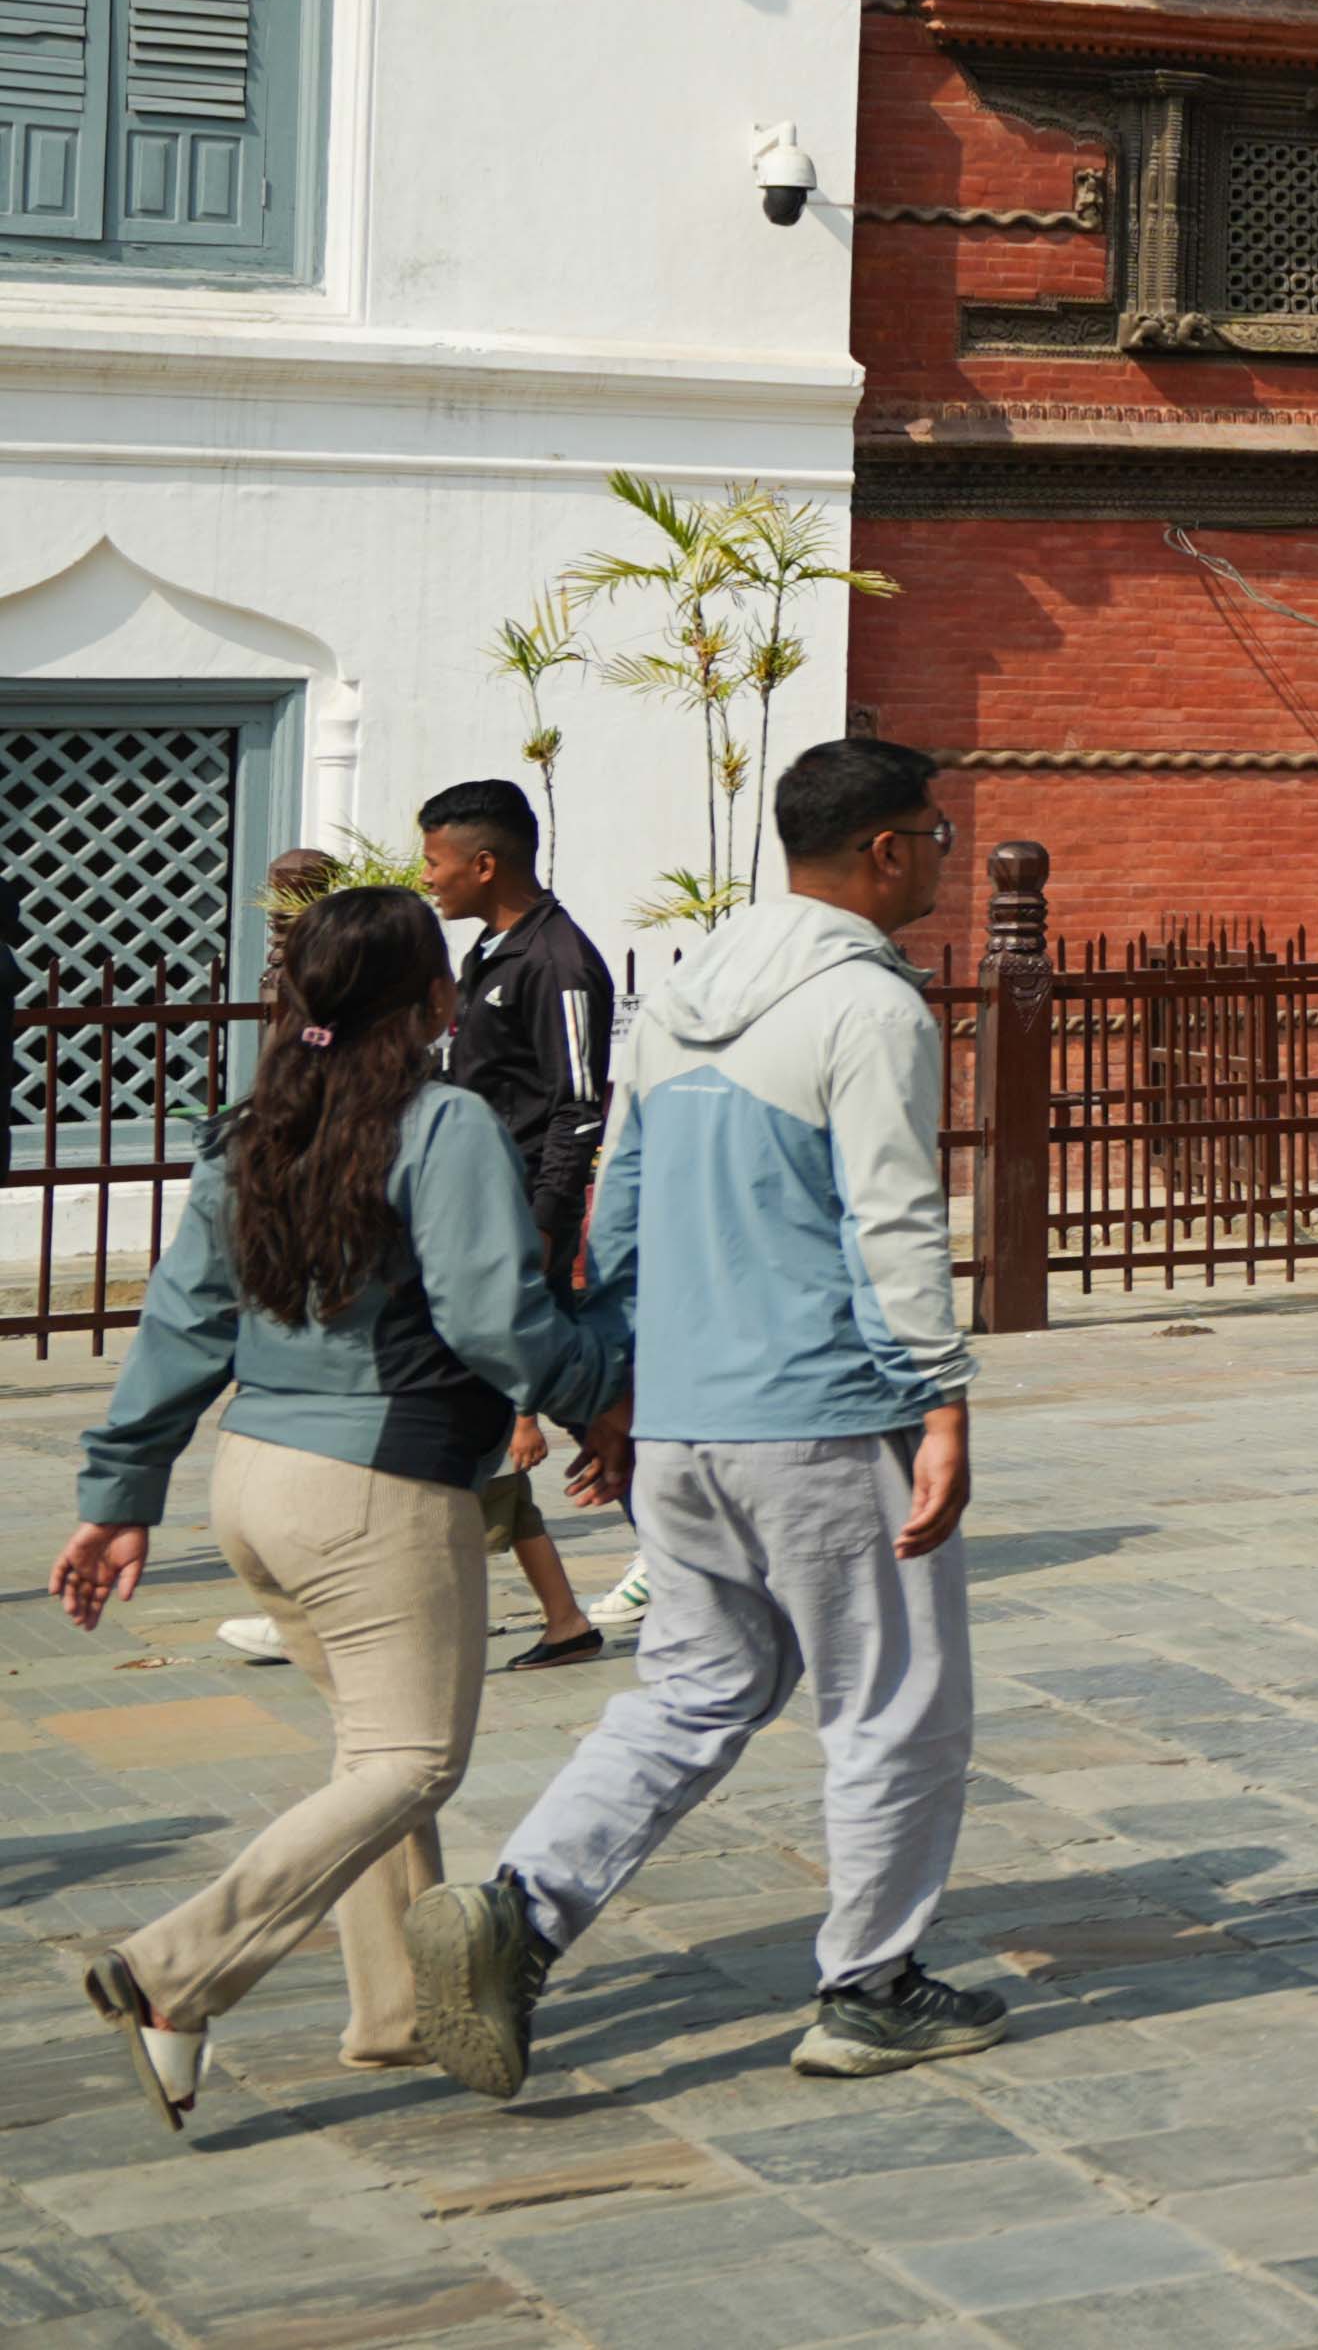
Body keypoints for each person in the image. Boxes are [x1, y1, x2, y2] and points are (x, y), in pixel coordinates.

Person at [413, 737, 1012, 2096]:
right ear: (883, 850)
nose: (940, 859)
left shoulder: (681, 999)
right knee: (893, 1702)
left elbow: (618, 1202)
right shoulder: (869, 1008)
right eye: (936, 834)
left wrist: (615, 1387)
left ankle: (521, 1910)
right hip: (817, 1411)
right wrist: (941, 1398)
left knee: (696, 1686)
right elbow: (893, 1217)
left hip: (682, 1416)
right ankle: (868, 1985)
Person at [51, 888, 631, 2129]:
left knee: (371, 1756)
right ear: (433, 1001)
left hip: (256, 1482)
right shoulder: (444, 1119)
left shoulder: (253, 1123)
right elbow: (493, 1316)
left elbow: (184, 1320)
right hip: (379, 1488)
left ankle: (395, 2012)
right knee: (414, 1759)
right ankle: (171, 1971)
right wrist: (599, 1390)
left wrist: (120, 1490)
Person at [415, 779, 618, 1670]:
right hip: (478, 1211)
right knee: (538, 1403)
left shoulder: (560, 962)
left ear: (484, 862)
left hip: (523, 1224)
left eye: (434, 860)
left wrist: (544, 1223)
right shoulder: (490, 953)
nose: (427, 878)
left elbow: (577, 1107)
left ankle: (696, 1551)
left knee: (589, 1407)